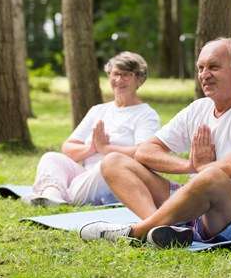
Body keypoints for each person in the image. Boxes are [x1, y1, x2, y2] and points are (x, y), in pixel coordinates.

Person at [79, 38, 231, 248]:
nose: (204, 75)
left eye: (213, 67)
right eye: (200, 68)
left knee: (212, 176)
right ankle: (159, 231)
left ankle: (137, 232)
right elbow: (145, 151)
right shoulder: (198, 108)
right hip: (195, 209)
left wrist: (203, 169)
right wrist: (190, 166)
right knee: (113, 162)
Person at [26, 52, 160, 206]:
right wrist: (91, 148)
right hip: (86, 175)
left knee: (108, 163)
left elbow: (144, 153)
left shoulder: (146, 115)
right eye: (115, 74)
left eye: (126, 75)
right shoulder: (98, 110)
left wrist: (106, 148)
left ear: (139, 79)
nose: (119, 80)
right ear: (109, 75)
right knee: (50, 157)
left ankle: (58, 194)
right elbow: (68, 147)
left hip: (114, 178)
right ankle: (52, 196)